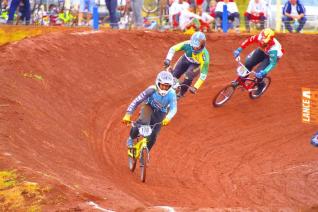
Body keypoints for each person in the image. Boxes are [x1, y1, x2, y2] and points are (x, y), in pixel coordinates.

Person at [122, 71, 177, 151]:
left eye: (167, 86)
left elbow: (173, 108)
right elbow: (137, 100)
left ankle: (146, 152)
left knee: (154, 135)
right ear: (158, 83)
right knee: (142, 122)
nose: (164, 88)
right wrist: (128, 114)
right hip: (149, 106)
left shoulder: (172, 94)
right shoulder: (151, 89)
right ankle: (131, 138)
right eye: (162, 85)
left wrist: (168, 117)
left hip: (161, 112)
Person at [233, 28, 284, 95]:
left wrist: (264, 72)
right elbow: (249, 40)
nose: (262, 43)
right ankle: (242, 79)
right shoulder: (260, 37)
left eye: (264, 42)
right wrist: (239, 49)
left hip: (271, 57)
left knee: (258, 73)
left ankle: (261, 85)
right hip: (262, 51)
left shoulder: (274, 49)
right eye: (261, 41)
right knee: (248, 63)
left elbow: (272, 63)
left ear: (269, 41)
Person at [163, 31, 210, 98]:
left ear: (202, 45)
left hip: (196, 65)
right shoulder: (187, 44)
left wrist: (195, 87)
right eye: (193, 45)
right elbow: (173, 48)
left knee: (188, 76)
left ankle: (181, 93)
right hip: (185, 59)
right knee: (174, 75)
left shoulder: (205, 57)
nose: (194, 48)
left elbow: (203, 75)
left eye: (197, 46)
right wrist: (168, 59)